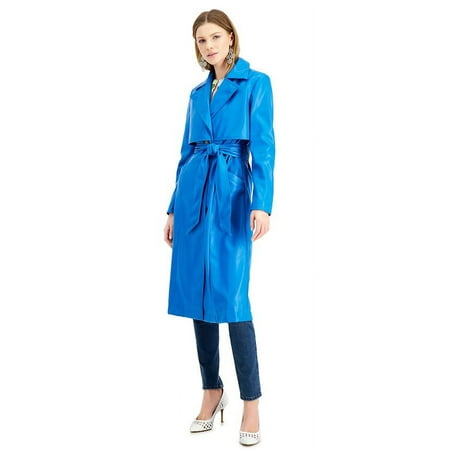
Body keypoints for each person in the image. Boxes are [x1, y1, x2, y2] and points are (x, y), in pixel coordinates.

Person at [163, 9, 275, 447]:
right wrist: (173, 209)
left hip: (230, 195)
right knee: (197, 294)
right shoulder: (196, 94)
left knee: (232, 298)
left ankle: (251, 401)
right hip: (193, 195)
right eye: (201, 40)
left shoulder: (256, 83)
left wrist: (261, 203)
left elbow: (264, 146)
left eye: (214, 37)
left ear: (230, 37)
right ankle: (212, 390)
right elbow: (185, 154)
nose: (208, 46)